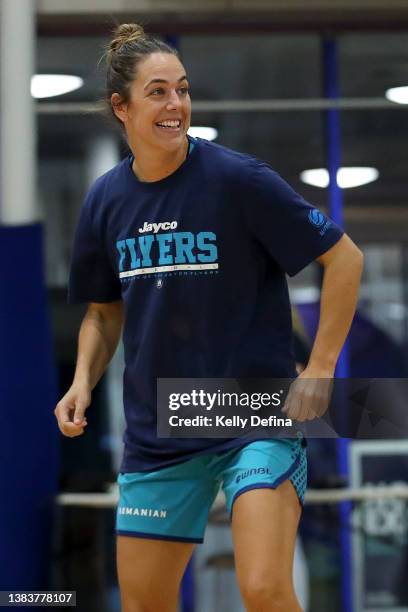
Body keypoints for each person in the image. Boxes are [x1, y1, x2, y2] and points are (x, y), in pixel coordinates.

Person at [54, 23, 363, 612]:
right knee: (145, 602)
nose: (176, 105)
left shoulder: (237, 179)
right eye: (158, 92)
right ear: (122, 108)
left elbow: (343, 257)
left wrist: (321, 366)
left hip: (254, 414)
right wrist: (80, 382)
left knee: (266, 588)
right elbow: (102, 311)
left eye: (183, 90)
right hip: (160, 429)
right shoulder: (105, 200)